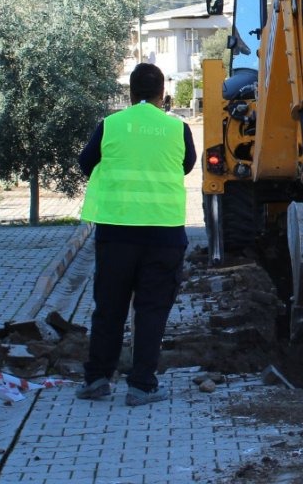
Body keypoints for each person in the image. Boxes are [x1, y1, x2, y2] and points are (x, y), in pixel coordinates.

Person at [76, 63, 197, 406]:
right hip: (164, 234)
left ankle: (97, 378)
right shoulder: (178, 129)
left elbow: (85, 164)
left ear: (130, 93)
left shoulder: (110, 125)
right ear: (162, 95)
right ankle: (142, 385)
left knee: (109, 309)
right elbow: (187, 165)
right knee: (152, 310)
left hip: (116, 233)